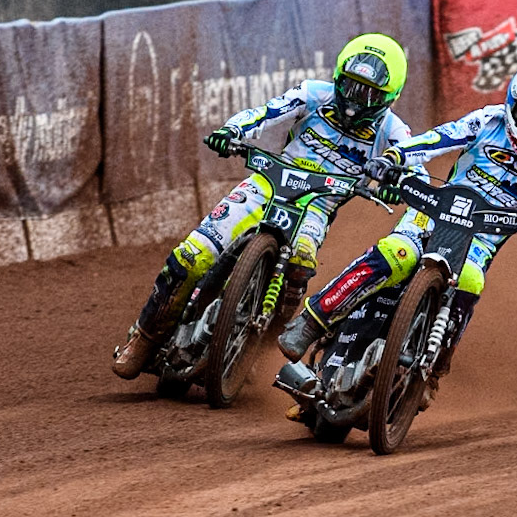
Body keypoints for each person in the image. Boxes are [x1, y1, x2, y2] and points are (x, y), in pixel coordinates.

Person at [277, 61, 517, 408]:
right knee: (397, 251)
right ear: (513, 104)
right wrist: (396, 156)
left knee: (470, 280)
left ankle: (434, 369)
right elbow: (440, 138)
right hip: (434, 210)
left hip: (480, 236)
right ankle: (312, 321)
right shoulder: (488, 120)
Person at [111, 33, 413, 380]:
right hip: (267, 183)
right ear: (337, 77)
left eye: (370, 93)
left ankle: (260, 344)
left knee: (301, 261)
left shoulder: (394, 131)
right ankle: (145, 337)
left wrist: (398, 184)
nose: (356, 101)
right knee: (191, 255)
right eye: (351, 85)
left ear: (390, 97)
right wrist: (232, 130)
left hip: (318, 202)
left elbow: (411, 164)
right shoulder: (313, 93)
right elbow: (267, 112)